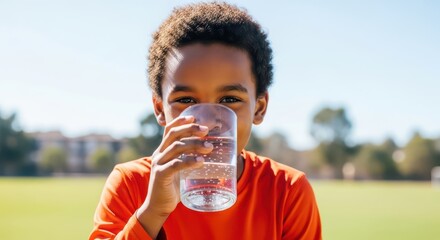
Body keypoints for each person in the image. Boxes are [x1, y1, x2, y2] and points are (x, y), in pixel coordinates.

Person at [90, 2, 321, 240]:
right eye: (186, 100)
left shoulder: (287, 190)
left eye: (230, 99)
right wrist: (152, 213)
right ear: (160, 109)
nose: (209, 122)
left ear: (259, 108)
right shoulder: (131, 184)